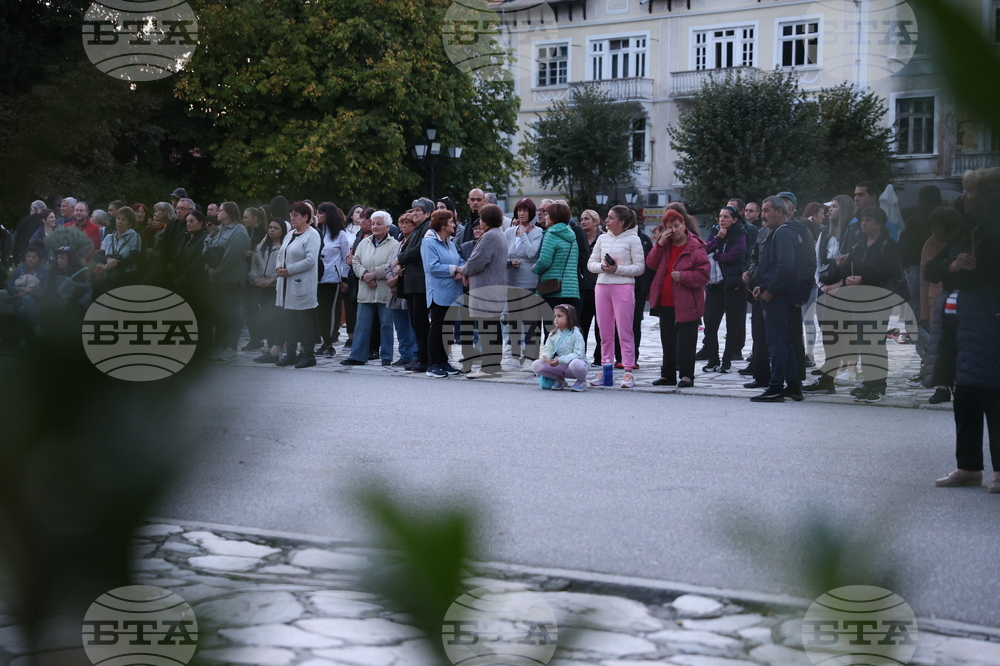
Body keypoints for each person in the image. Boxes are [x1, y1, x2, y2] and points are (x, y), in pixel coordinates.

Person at [928, 167, 1000, 492]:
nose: (964, 197)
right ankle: (968, 467)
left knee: (994, 396)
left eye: (970, 191)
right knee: (966, 396)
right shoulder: (965, 230)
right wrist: (952, 267)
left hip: (990, 322)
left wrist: (954, 274)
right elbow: (933, 268)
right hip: (963, 327)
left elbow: (981, 274)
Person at [750, 196, 809, 402]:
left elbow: (785, 266)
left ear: (780, 212)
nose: (763, 215)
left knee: (777, 344)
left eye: (766, 211)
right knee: (786, 342)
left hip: (779, 297)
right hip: (785, 294)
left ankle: (775, 387)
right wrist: (762, 286)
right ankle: (793, 385)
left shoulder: (783, 233)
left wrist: (770, 291)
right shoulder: (787, 232)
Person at [647, 210, 710, 387]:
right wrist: (659, 243)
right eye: (669, 227)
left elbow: (704, 275)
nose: (674, 230)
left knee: (687, 339)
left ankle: (686, 375)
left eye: (677, 225)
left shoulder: (695, 247)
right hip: (665, 300)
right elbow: (651, 263)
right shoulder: (665, 245)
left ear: (684, 225)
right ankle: (667, 375)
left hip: (687, 300)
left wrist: (683, 276)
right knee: (667, 338)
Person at [587, 204, 645, 388]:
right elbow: (591, 263)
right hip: (602, 286)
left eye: (611, 218)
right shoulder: (602, 238)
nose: (607, 220)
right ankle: (606, 368)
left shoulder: (633, 239)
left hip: (623, 287)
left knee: (625, 331)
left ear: (622, 222)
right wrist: (603, 268)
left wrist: (618, 269)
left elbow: (639, 268)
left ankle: (628, 370)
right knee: (604, 332)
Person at [341, 211, 400, 367]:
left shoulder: (394, 244)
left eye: (379, 223)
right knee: (362, 324)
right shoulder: (364, 242)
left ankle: (387, 356)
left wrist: (374, 274)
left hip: (383, 289)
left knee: (386, 324)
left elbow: (391, 264)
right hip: (365, 289)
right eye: (373, 223)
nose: (375, 226)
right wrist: (364, 275)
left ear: (387, 226)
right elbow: (356, 261)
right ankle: (358, 355)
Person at [917, 206, 962, 403]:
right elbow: (923, 278)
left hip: (959, 300)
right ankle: (943, 386)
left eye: (938, 226)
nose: (933, 230)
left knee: (960, 345)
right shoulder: (929, 243)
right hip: (936, 302)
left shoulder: (961, 243)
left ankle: (960, 384)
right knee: (940, 346)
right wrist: (925, 311)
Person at [461, 204, 509, 378]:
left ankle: (488, 367)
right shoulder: (499, 234)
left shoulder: (489, 237)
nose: (479, 222)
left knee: (486, 328)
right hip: (495, 287)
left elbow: (476, 261)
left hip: (486, 289)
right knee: (493, 327)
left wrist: (464, 271)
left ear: (486, 220)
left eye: (481, 219)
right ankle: (494, 365)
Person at [701, 205, 748, 374]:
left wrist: (718, 255)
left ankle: (727, 360)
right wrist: (718, 240)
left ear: (734, 219)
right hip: (715, 285)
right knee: (710, 324)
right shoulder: (715, 232)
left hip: (733, 285)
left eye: (726, 217)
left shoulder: (740, 233)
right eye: (720, 216)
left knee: (732, 325)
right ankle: (713, 359)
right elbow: (704, 251)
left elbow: (736, 254)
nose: (722, 219)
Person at [275, 201, 321, 368]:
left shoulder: (312, 235)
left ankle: (309, 354)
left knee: (304, 319)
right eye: (291, 215)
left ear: (305, 217)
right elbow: (281, 253)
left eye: (295, 216)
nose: (292, 218)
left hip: (301, 283)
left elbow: (310, 260)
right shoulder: (290, 234)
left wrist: (290, 270)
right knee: (290, 319)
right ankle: (291, 353)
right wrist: (279, 266)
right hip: (286, 284)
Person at [204, 201, 251, 363]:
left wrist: (219, 270)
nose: (218, 213)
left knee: (231, 314)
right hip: (216, 279)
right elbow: (209, 250)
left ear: (229, 213)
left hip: (230, 279)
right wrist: (208, 267)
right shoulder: (219, 230)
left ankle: (231, 347)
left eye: (221, 210)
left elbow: (232, 255)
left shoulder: (239, 231)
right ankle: (221, 345)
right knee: (220, 314)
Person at [421, 209, 466, 378]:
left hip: (452, 292)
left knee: (447, 330)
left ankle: (443, 361)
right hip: (438, 292)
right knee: (437, 328)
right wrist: (455, 269)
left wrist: (461, 269)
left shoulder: (450, 242)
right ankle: (433, 364)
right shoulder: (429, 243)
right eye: (451, 222)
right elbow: (431, 267)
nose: (454, 224)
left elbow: (459, 260)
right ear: (442, 224)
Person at [395, 198, 436, 373]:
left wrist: (400, 258)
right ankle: (420, 357)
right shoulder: (418, 229)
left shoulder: (426, 227)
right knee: (416, 322)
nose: (414, 213)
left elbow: (420, 249)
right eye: (413, 210)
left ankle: (424, 359)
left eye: (418, 210)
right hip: (412, 283)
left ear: (427, 214)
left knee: (420, 322)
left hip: (419, 283)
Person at [505, 197, 543, 368]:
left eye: (525, 210)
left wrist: (524, 236)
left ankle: (530, 356)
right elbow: (503, 254)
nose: (521, 213)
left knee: (530, 321)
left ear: (531, 213)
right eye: (519, 210)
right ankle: (514, 355)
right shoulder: (508, 232)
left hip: (529, 280)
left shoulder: (537, 232)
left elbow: (532, 253)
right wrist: (509, 262)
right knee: (513, 320)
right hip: (512, 280)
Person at [249, 219, 288, 364]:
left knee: (276, 319)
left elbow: (283, 268)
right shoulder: (261, 247)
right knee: (265, 319)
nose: (271, 230)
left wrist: (270, 280)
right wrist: (255, 278)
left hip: (276, 288)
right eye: (270, 227)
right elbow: (254, 264)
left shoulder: (284, 248)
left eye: (275, 228)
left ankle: (275, 351)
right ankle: (270, 348)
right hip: (260, 287)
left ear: (282, 231)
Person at [533, 200, 580, 316]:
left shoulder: (551, 234)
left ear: (554, 217)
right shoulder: (572, 235)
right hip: (571, 289)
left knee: (552, 329)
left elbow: (544, 261)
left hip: (553, 290)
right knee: (567, 328)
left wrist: (535, 269)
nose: (545, 217)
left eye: (548, 214)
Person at [316, 202, 351, 356]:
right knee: (319, 311)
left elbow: (346, 258)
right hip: (316, 277)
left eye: (321, 213)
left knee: (329, 311)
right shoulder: (316, 232)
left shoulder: (340, 235)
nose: (317, 216)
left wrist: (344, 278)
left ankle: (329, 342)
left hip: (332, 277)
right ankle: (323, 340)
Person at [384, 213, 418, 368]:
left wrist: (397, 279)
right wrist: (390, 279)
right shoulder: (398, 244)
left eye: (407, 223)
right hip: (395, 292)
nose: (404, 226)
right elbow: (388, 264)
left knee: (412, 324)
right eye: (401, 223)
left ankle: (415, 354)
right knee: (400, 325)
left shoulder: (415, 243)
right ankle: (405, 354)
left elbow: (411, 266)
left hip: (407, 288)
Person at [532, 304, 588, 391]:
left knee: (576, 364)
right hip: (560, 366)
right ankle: (559, 379)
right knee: (536, 364)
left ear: (569, 317)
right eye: (555, 316)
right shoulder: (552, 334)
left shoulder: (576, 334)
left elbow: (578, 354)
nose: (556, 319)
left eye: (560, 316)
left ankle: (581, 381)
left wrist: (560, 360)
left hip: (572, 366)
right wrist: (546, 356)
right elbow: (548, 349)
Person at [6, 245, 48, 344]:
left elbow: (45, 290)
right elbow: (9, 287)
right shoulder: (19, 270)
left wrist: (31, 292)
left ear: (39, 259)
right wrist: (20, 289)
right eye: (28, 256)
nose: (30, 259)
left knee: (23, 310)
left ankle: (23, 339)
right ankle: (37, 326)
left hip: (37, 300)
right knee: (24, 302)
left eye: (34, 257)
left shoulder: (45, 271)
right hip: (18, 300)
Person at [577, 209, 603, 366]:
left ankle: (600, 358)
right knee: (582, 324)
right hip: (583, 286)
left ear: (596, 221)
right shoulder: (579, 238)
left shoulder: (604, 238)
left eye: (587, 219)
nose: (583, 222)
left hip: (600, 284)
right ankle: (581, 356)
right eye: (581, 219)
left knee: (601, 325)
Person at [95, 207, 142, 290]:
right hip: (108, 277)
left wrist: (116, 263)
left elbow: (135, 257)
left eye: (123, 219)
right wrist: (107, 259)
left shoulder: (134, 236)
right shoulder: (109, 237)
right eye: (118, 218)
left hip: (126, 278)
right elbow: (98, 254)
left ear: (130, 223)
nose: (119, 222)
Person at [12, 200, 46, 265]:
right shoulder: (48, 223)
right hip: (44, 258)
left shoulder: (26, 222)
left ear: (35, 209)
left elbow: (18, 241)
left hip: (26, 257)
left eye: (30, 209)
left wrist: (16, 259)